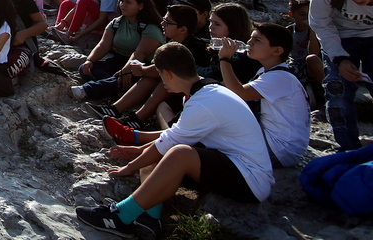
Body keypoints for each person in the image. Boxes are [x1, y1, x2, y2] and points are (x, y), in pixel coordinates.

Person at [78, 43, 273, 236]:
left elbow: (170, 143)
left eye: (161, 76)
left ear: (168, 73)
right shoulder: (204, 89)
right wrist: (139, 151)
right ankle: (150, 218)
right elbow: (172, 136)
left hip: (250, 179)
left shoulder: (204, 102)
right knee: (159, 155)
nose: (162, 82)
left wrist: (129, 168)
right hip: (232, 164)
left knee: (179, 153)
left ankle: (120, 217)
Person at [216, 22, 310, 167]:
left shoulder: (280, 77)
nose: (249, 43)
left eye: (257, 41)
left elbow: (239, 93)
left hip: (280, 149)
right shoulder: (266, 72)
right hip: (274, 143)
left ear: (277, 51)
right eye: (251, 39)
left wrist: (224, 59)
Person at [309, 0, 373, 150]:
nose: (357, 0)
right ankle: (348, 148)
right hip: (340, 36)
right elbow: (321, 25)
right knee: (338, 92)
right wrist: (339, 59)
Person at [70, 0, 164, 102]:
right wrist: (90, 60)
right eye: (121, 1)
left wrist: (126, 71)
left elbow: (140, 53)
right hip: (118, 61)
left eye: (128, 2)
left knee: (129, 77)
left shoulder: (151, 28)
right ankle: (115, 87)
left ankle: (88, 90)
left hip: (141, 65)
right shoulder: (116, 23)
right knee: (85, 69)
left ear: (141, 6)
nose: (123, 5)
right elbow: (103, 45)